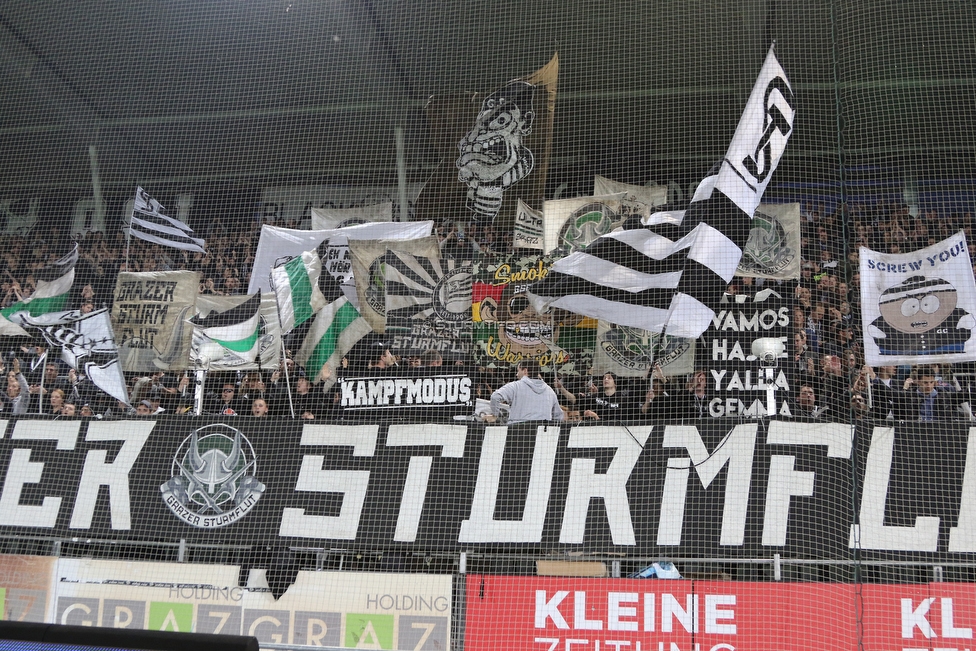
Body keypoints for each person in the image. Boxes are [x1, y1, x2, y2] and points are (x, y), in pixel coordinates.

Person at [486, 359, 563, 424]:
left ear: (525, 371)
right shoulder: (550, 391)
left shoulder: (515, 386)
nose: (516, 374)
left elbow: (495, 396)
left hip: (517, 432)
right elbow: (558, 416)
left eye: (518, 370)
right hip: (541, 436)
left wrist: (495, 415)